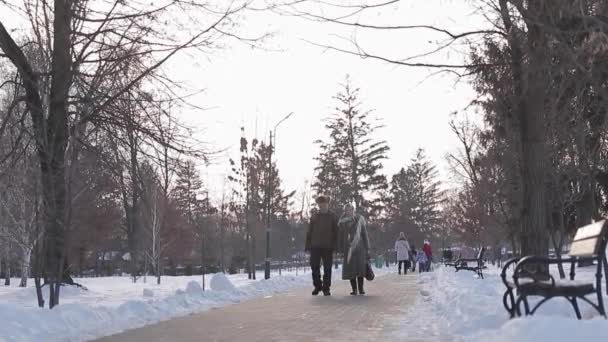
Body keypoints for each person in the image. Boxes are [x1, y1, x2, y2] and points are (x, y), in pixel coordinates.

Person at [305, 195, 339, 296]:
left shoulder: (332, 216)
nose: (322, 206)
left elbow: (336, 232)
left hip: (328, 247)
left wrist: (336, 246)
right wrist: (307, 245)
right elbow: (309, 232)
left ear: (327, 204)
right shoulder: (314, 216)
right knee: (314, 266)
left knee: (327, 268)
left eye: (323, 204)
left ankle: (326, 288)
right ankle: (317, 286)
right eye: (320, 204)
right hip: (315, 246)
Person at [338, 203, 370, 296]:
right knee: (351, 270)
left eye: (350, 209)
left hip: (360, 248)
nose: (349, 211)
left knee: (360, 270)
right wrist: (340, 250)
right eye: (347, 210)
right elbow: (340, 237)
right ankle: (354, 289)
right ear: (345, 211)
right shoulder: (342, 223)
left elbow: (364, 234)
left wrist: (367, 247)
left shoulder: (359, 220)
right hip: (348, 249)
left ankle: (361, 288)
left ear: (353, 210)